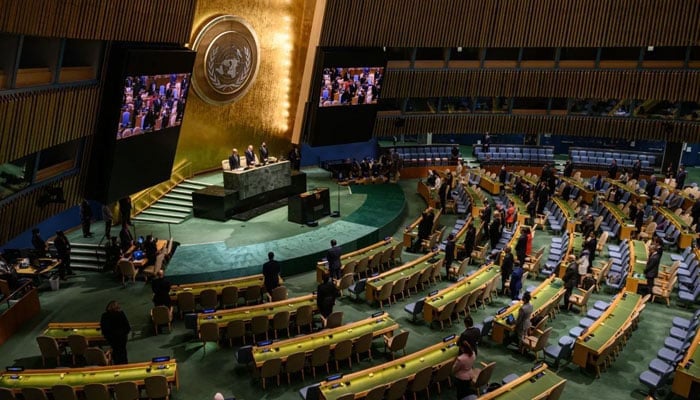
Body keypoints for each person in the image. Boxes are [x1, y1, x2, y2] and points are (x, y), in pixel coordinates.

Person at [100, 300, 131, 365]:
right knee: (122, 354)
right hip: (121, 339)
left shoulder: (104, 316)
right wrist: (123, 334)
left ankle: (117, 366)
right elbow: (127, 327)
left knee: (116, 353)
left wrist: (108, 337)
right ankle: (124, 366)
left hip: (111, 340)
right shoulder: (121, 314)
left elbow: (104, 330)